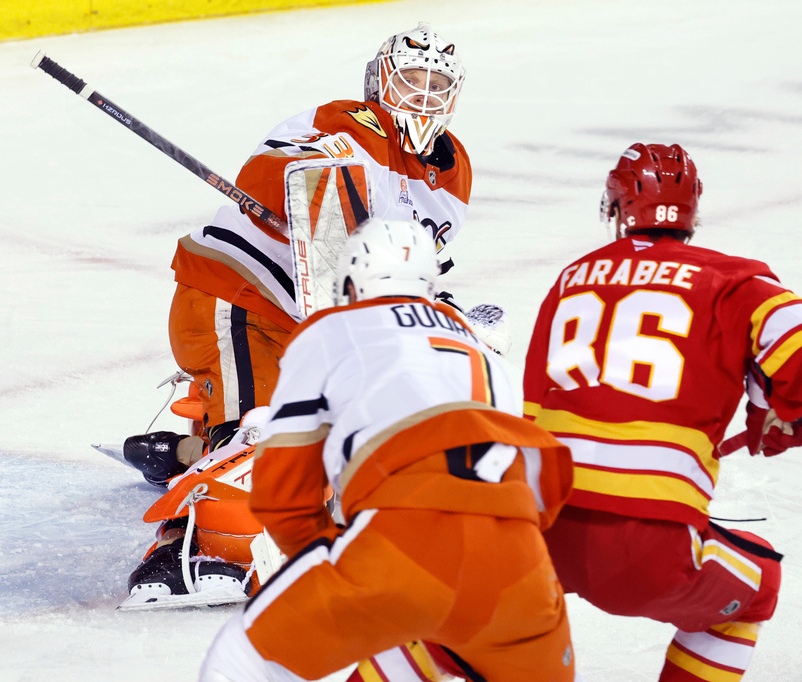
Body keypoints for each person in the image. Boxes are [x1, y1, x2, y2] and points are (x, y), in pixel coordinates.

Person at [118, 23, 517, 603]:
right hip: (236, 298)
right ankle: (182, 552)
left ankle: (178, 453)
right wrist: (307, 167)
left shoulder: (453, 168)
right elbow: (277, 168)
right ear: (381, 81)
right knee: (251, 439)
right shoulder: (342, 122)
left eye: (438, 84)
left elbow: (401, 259)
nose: (424, 95)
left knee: (318, 439)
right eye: (411, 79)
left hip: (311, 322)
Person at [198, 217, 578, 682]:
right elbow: (545, 480)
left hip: (405, 545)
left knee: (238, 662)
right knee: (414, 648)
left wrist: (342, 567)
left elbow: (285, 498)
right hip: (524, 576)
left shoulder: (332, 329)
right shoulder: (480, 348)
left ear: (354, 283)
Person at [523, 143, 802, 680]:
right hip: (649, 546)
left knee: (459, 621)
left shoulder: (570, 279)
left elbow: (528, 409)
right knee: (758, 590)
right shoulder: (726, 278)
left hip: (544, 529)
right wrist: (783, 405)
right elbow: (799, 330)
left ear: (617, 209)